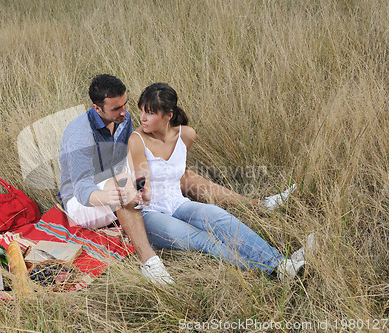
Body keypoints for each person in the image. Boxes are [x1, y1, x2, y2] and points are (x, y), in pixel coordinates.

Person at [127, 82, 313, 281]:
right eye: (142, 111)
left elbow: (175, 170)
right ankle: (275, 270)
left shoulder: (186, 135)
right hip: (150, 212)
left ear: (168, 115)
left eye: (150, 112)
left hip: (178, 203)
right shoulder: (137, 139)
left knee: (221, 218)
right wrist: (142, 188)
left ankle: (281, 263)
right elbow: (141, 175)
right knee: (203, 240)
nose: (143, 118)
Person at [59, 74, 174, 285]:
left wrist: (140, 181)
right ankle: (150, 264)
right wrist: (107, 195)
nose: (124, 112)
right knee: (121, 189)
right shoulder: (80, 134)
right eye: (115, 109)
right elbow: (82, 188)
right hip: (80, 201)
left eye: (125, 104)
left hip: (115, 181)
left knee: (162, 172)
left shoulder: (123, 119)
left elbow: (126, 160)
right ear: (97, 109)